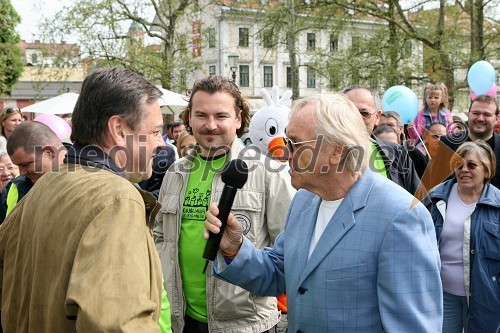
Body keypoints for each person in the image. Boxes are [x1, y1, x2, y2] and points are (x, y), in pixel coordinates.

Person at [205, 93, 443, 332]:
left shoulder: (401, 216)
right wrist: (235, 248)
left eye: (294, 143)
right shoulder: (303, 201)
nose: (285, 153)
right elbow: (280, 272)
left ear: (336, 151)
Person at [0, 68, 167, 331]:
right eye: (156, 131)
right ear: (119, 130)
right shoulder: (117, 200)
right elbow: (117, 325)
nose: (162, 144)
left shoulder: (45, 185)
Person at [154, 75, 295, 333]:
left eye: (221, 116)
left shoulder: (269, 173)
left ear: (238, 119)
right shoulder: (174, 173)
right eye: (201, 115)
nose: (210, 125)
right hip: (181, 321)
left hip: (247, 326)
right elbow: (160, 237)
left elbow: (290, 250)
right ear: (189, 118)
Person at [430, 141, 499, 333]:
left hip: (486, 298)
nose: (464, 170)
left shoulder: (498, 204)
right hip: (443, 294)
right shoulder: (436, 198)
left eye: (471, 165)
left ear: (487, 171)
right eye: (459, 165)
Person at [342, 86, 422, 196]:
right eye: (350, 112)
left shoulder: (397, 153)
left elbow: (420, 202)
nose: (356, 118)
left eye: (364, 113)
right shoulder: (321, 154)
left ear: (377, 116)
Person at [0, 121, 67, 222]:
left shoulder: (88, 181)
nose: (21, 172)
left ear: (49, 152)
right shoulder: (15, 188)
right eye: (17, 166)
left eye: (26, 164)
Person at [429, 94, 500, 190]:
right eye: (476, 113)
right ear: (468, 114)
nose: (480, 118)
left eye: (486, 114)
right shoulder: (447, 143)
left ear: (496, 118)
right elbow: (435, 183)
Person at [377, 111, 429, 179]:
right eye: (382, 125)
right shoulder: (373, 150)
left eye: (390, 125)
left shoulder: (412, 153)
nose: (386, 128)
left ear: (400, 129)